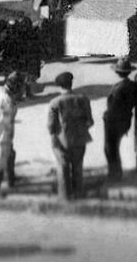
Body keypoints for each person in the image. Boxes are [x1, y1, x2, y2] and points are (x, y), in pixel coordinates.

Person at [47, 71, 94, 201]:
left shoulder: (55, 103)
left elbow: (51, 126)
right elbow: (90, 122)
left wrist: (56, 135)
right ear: (71, 83)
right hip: (80, 138)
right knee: (78, 166)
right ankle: (78, 193)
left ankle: (65, 197)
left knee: (62, 167)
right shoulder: (83, 99)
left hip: (62, 140)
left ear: (59, 86)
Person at [104, 57, 137, 183]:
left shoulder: (119, 87)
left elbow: (113, 107)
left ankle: (114, 175)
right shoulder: (133, 86)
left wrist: (106, 117)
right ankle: (115, 173)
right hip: (125, 121)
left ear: (117, 72)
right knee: (114, 147)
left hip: (113, 122)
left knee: (110, 148)